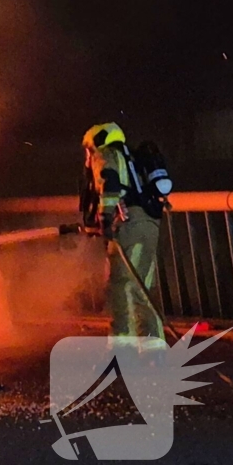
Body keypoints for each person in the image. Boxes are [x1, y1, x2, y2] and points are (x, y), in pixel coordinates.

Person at [82, 123, 165, 342]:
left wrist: (105, 218)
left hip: (129, 225)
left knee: (125, 288)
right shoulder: (130, 158)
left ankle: (123, 347)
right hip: (145, 223)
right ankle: (152, 350)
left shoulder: (105, 154)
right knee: (142, 287)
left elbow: (109, 184)